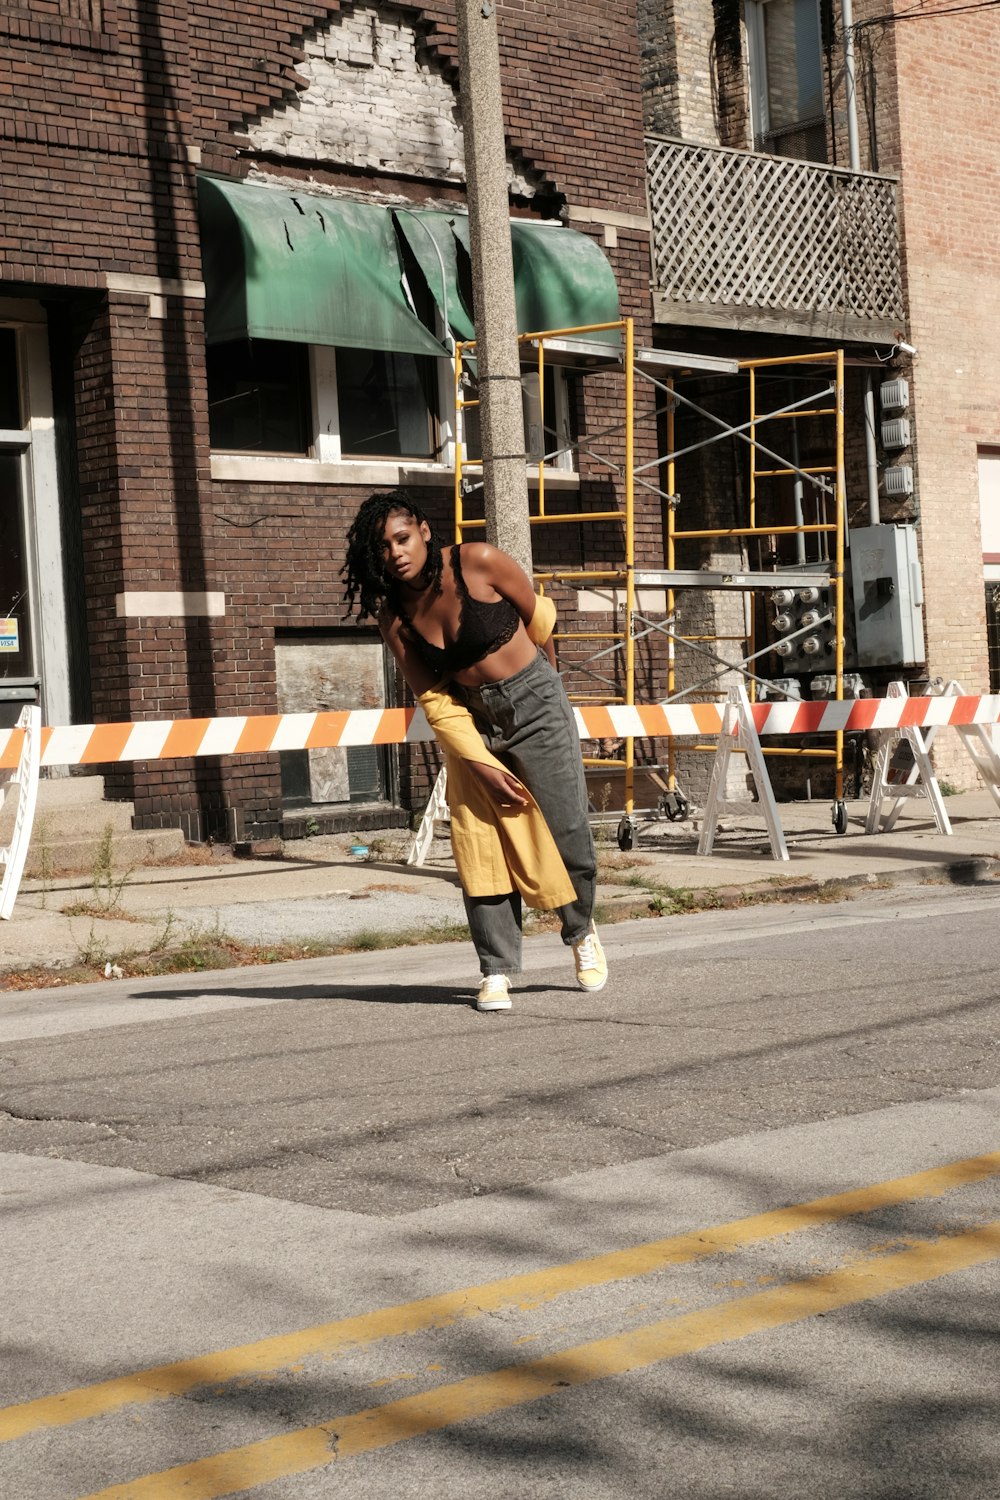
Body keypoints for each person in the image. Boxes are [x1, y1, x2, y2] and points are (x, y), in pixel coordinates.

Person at [342, 491, 607, 1013]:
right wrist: (478, 764)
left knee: (565, 828)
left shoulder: (478, 561)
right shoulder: (394, 617)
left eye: (402, 538)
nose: (396, 553)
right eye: (384, 548)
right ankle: (496, 970)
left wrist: (549, 685)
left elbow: (541, 619)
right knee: (481, 848)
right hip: (470, 722)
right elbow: (435, 697)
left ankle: (581, 932)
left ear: (421, 528)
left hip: (535, 702)